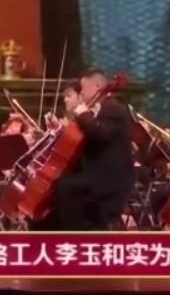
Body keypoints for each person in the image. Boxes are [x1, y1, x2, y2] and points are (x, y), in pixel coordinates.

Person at [38, 68, 134, 231]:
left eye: (83, 88)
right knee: (59, 186)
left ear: (97, 86)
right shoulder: (98, 109)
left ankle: (78, 235)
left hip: (110, 178)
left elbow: (101, 134)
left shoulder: (114, 109)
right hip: (96, 173)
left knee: (65, 187)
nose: (81, 92)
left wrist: (83, 115)